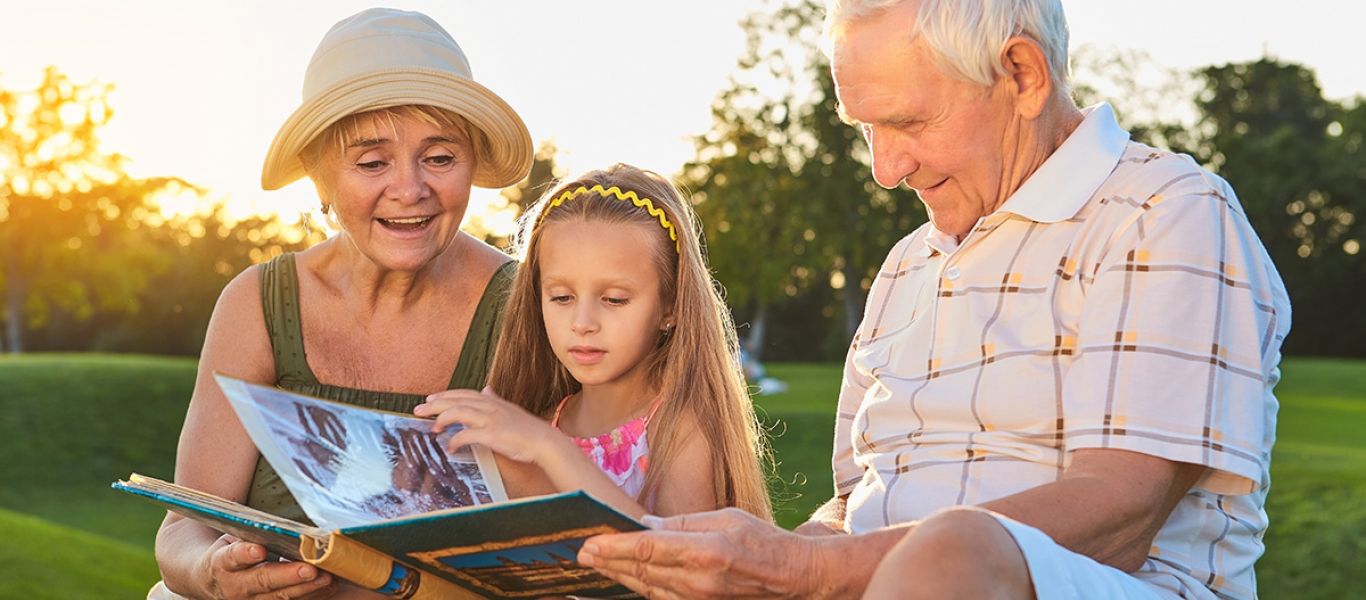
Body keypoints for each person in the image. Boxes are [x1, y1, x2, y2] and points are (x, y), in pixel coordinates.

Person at [576, 1, 1291, 599]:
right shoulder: (907, 265)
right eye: (866, 128)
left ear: (1022, 75)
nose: (885, 169)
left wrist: (806, 570)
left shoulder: (1164, 212)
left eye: (908, 123)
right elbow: (855, 507)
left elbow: (1121, 512)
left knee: (957, 546)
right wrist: (776, 557)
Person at [153, 8, 534, 599]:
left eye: (439, 157)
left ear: (471, 165)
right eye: (372, 162)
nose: (409, 190)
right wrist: (213, 572)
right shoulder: (257, 304)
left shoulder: (527, 308)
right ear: (320, 177)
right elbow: (185, 528)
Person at [416, 164, 773, 520]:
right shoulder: (532, 428)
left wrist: (549, 449)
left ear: (671, 306)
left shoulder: (679, 433)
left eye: (614, 299)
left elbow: (675, 551)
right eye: (561, 298)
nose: (583, 323)